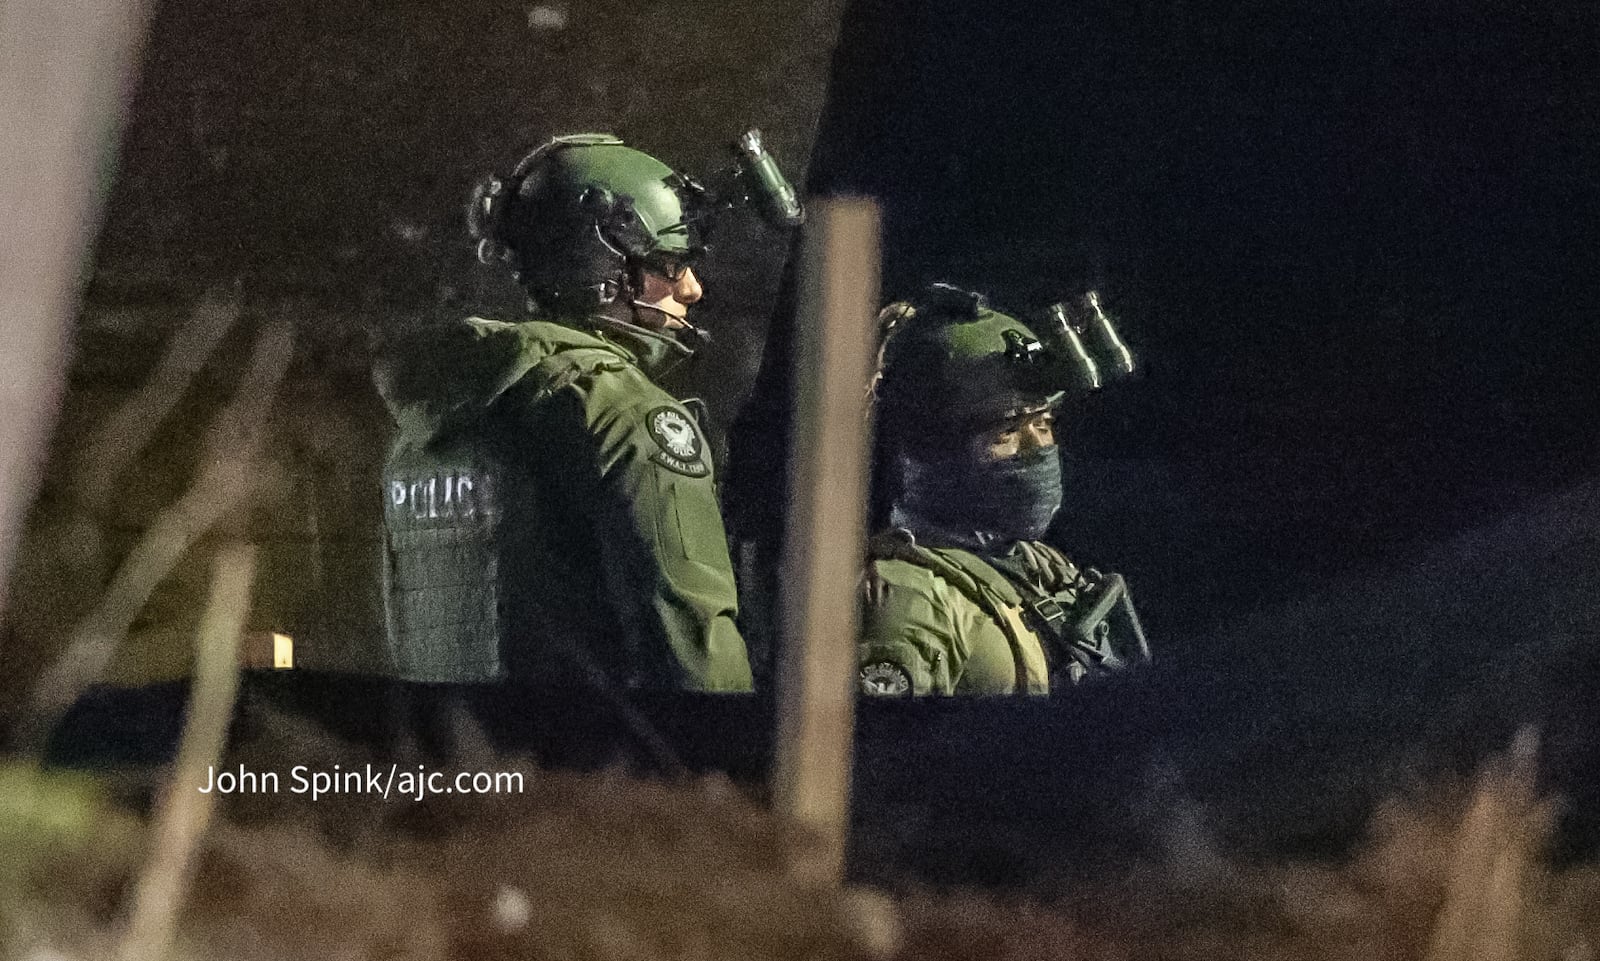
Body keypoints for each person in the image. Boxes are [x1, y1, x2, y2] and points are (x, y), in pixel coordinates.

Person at [373, 133, 795, 692]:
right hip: (599, 770)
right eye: (669, 265)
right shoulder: (621, 413)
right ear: (602, 269)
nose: (690, 288)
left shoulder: (434, 421)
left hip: (465, 764)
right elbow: (695, 657)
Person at [857, 283, 1151, 697]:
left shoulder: (1035, 565)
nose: (1038, 449)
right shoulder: (911, 603)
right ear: (939, 454)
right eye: (1007, 432)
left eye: (1044, 424)